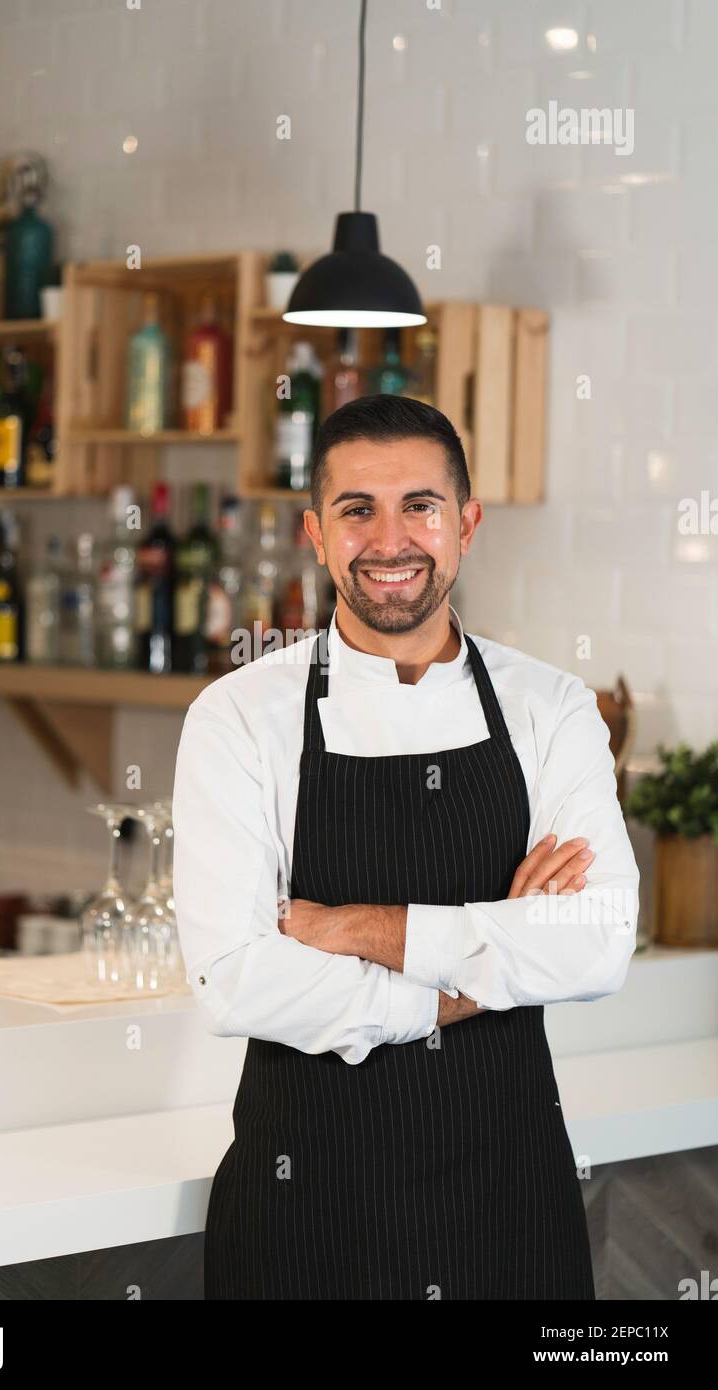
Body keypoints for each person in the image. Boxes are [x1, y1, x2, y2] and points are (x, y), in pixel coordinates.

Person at [173, 394, 639, 1301]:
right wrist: (488, 959)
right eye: (358, 511)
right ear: (316, 532)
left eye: (419, 506)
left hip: (510, 1208)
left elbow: (596, 940)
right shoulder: (238, 718)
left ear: (466, 524)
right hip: (304, 1215)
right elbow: (234, 979)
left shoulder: (552, 708)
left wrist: (351, 926)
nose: (391, 541)